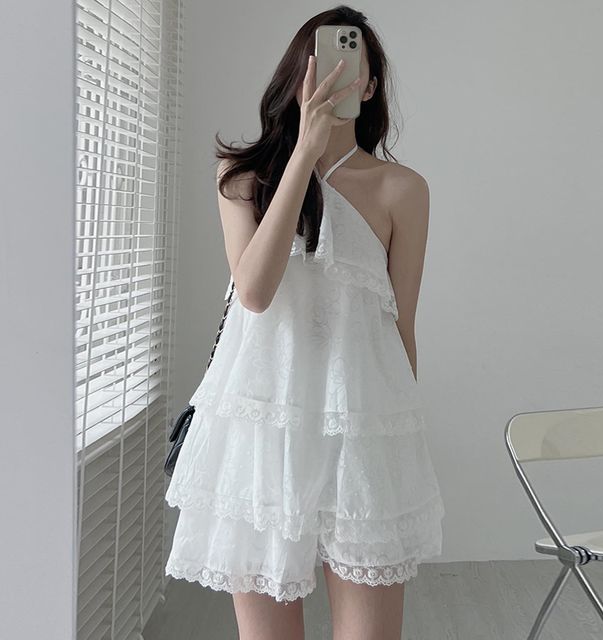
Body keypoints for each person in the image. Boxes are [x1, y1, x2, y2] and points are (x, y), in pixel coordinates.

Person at [165, 6, 445, 639]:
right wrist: (305, 155)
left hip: (360, 429)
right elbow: (255, 291)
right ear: (298, 78)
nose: (336, 78)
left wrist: (400, 439)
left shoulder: (403, 189)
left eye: (353, 66)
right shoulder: (242, 177)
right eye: (322, 65)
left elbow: (402, 324)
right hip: (262, 430)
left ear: (370, 88)